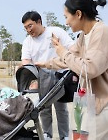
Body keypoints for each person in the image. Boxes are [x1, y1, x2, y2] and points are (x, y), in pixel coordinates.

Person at [35, 0, 108, 140]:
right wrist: (44, 64)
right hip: (86, 103)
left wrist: (61, 51)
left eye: (66, 17)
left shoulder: (102, 32)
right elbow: (69, 59)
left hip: (103, 104)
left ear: (78, 14)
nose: (66, 22)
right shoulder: (84, 36)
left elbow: (90, 69)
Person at [21, 11, 74, 140]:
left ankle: (64, 135)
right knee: (43, 108)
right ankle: (47, 134)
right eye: (26, 28)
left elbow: (72, 48)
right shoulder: (27, 42)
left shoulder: (56, 32)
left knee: (61, 107)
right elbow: (26, 61)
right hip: (41, 77)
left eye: (30, 26)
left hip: (60, 75)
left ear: (39, 21)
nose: (28, 30)